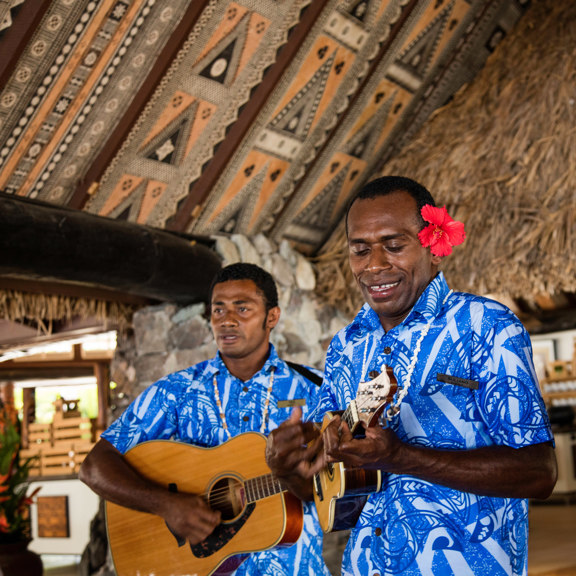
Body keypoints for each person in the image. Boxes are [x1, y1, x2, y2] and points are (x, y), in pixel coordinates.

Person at [265, 176, 558, 576]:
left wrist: (400, 457)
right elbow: (327, 496)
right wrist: (291, 467)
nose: (375, 265)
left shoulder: (485, 326)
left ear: (434, 248)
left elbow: (540, 473)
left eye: (394, 245)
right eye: (360, 250)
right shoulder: (346, 347)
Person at [79, 262, 331, 576]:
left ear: (272, 317)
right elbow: (94, 466)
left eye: (242, 309)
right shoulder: (177, 391)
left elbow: (343, 484)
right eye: (218, 310)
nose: (227, 321)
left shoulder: (319, 390)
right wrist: (166, 505)